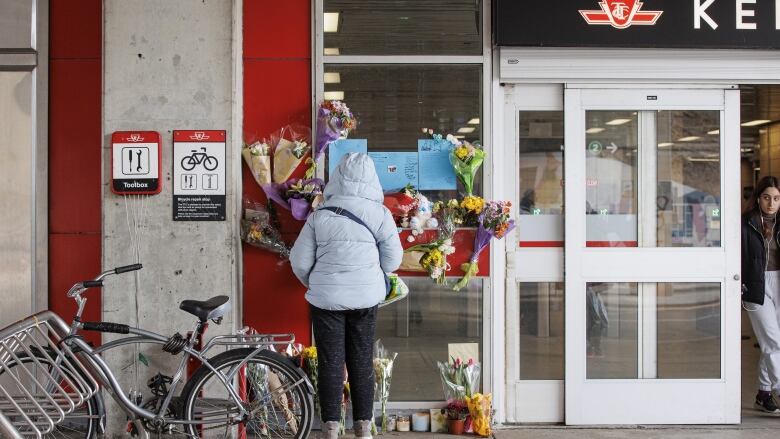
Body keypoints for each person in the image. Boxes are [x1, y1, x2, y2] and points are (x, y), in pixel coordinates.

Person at [290, 153, 403, 438]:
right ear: (371, 180)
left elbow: (300, 261)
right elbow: (393, 260)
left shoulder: (321, 214)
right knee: (362, 358)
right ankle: (363, 427)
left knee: (330, 360)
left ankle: (330, 427)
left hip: (326, 301)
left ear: (337, 178)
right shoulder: (380, 214)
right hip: (366, 298)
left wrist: (317, 282)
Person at [742, 176, 780, 413]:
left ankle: (764, 393)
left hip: (779, 281)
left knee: (773, 343)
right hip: (756, 285)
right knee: (773, 341)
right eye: (766, 197)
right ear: (758, 199)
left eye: (776, 198)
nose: (771, 203)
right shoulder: (747, 223)